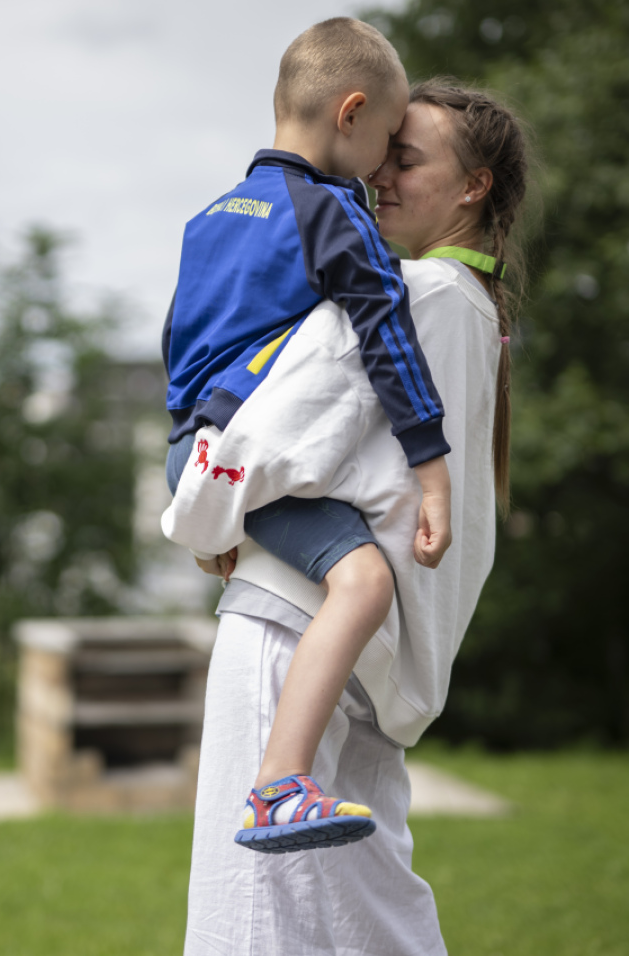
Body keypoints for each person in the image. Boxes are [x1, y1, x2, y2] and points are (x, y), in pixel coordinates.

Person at [167, 79, 532, 955]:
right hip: (369, 664)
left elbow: (272, 429)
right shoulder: (478, 312)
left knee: (252, 920)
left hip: (294, 633)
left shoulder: (413, 296)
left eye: (407, 160)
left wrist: (210, 517)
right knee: (374, 922)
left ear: (473, 186)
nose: (380, 177)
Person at [163, 18, 455, 853]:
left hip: (201, 450)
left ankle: (280, 779)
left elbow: (179, 352)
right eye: (390, 141)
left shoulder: (210, 217)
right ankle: (279, 783)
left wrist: (199, 489)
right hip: (251, 457)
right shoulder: (331, 215)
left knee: (345, 578)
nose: (385, 167)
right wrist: (432, 471)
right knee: (364, 585)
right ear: (352, 114)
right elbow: (387, 336)